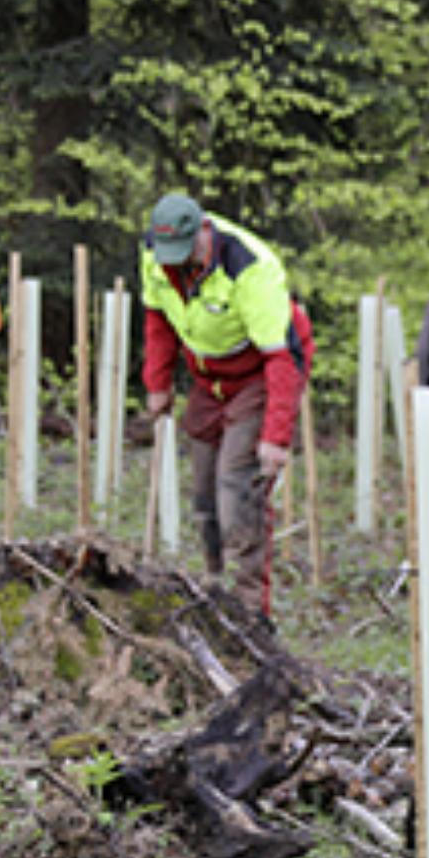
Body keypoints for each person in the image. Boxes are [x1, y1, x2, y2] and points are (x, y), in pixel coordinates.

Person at [139, 193, 313, 612]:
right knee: (204, 492)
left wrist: (275, 437)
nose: (174, 263)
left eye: (184, 253)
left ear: (203, 231)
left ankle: (252, 609)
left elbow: (281, 358)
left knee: (237, 489)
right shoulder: (155, 255)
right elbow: (158, 320)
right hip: (208, 378)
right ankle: (215, 591)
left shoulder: (250, 267)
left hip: (260, 375)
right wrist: (158, 382)